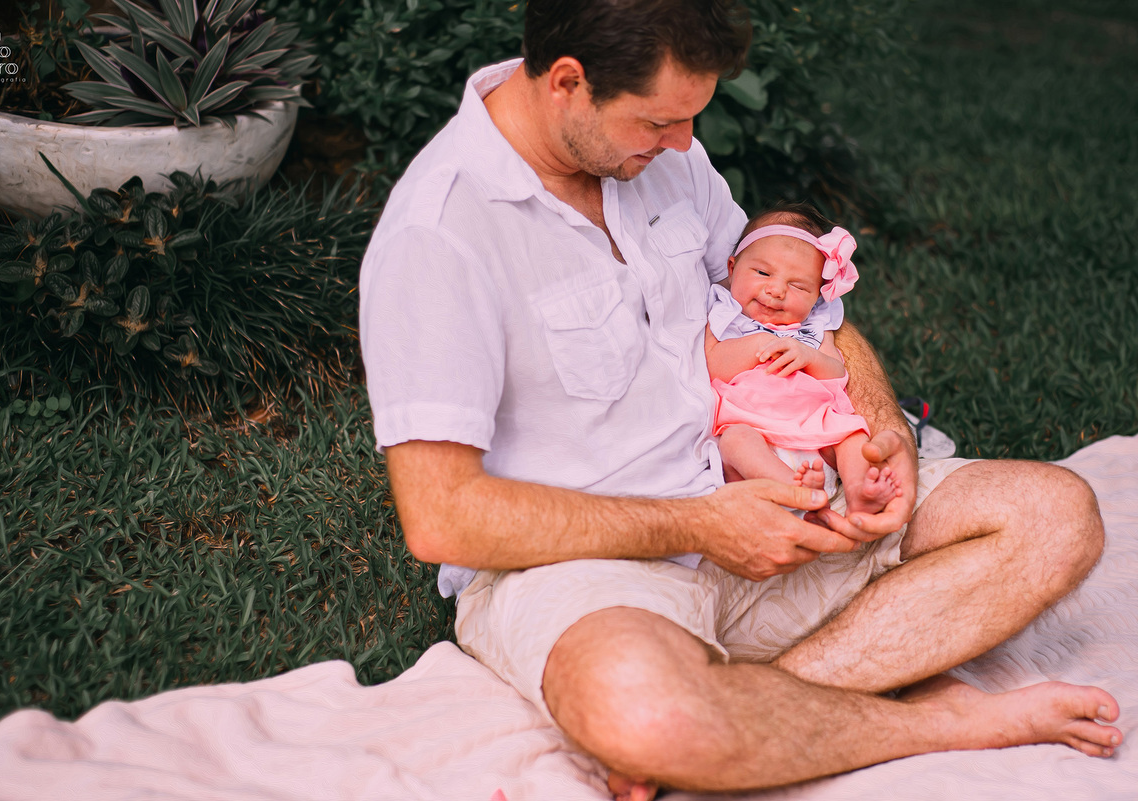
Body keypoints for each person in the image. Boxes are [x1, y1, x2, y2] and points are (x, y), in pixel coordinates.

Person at [358, 0, 1122, 797]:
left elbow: (805, 313)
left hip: (790, 495)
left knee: (1056, 515)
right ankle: (943, 720)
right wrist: (699, 525)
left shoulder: (663, 161)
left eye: (692, 118)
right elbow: (441, 514)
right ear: (567, 83)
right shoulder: (440, 234)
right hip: (598, 565)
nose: (684, 144)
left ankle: (758, 708)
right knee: (643, 711)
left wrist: (877, 426)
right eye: (659, 121)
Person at [705, 204, 902, 516]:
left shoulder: (814, 324)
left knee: (852, 435)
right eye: (762, 273)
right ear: (732, 269)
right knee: (734, 441)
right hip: (754, 425)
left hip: (817, 427)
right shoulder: (725, 314)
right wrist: (760, 343)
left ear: (817, 296)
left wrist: (808, 356)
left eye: (797, 285)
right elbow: (714, 363)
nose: (776, 290)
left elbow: (836, 374)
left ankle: (860, 491)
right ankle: (794, 490)